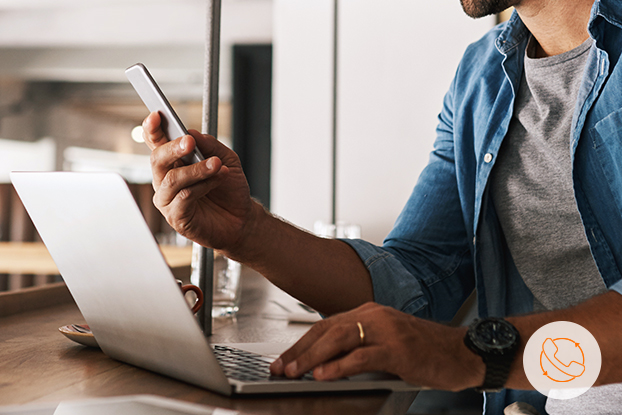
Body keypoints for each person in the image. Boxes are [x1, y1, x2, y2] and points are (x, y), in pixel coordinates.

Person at [143, 0, 622, 413]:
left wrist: (467, 355)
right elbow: (416, 280)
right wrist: (247, 231)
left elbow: (446, 339)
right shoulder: (482, 78)